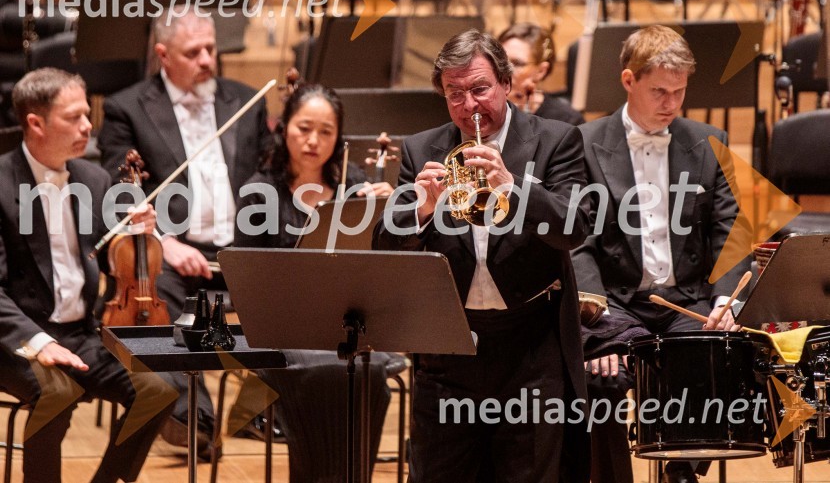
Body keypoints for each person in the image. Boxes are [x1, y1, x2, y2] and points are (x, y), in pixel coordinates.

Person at [373, 29, 592, 482]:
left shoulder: (556, 140)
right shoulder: (421, 150)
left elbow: (575, 227)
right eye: (455, 94)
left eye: (479, 89)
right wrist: (422, 208)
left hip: (529, 348)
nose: (469, 106)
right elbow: (385, 251)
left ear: (507, 84)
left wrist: (514, 188)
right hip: (448, 352)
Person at [571, 25, 752, 483]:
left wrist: (725, 303)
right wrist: (597, 320)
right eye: (659, 91)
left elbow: (729, 229)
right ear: (628, 81)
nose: (671, 103)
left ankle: (683, 472)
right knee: (600, 380)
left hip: (684, 303)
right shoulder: (585, 143)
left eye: (679, 91)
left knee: (720, 357)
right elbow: (579, 243)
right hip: (617, 305)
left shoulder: (710, 140)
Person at [97, 8, 271, 451]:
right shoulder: (127, 108)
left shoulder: (247, 101)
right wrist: (164, 242)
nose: (207, 59)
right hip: (176, 252)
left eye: (210, 48)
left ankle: (255, 409)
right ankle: (193, 418)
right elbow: (119, 191)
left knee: (294, 292)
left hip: (243, 249)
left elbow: (273, 174)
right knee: (153, 289)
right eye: (193, 52)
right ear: (163, 55)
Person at [0, 68, 176, 483]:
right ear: (36, 123)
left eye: (88, 114)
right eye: (74, 117)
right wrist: (39, 343)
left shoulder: (93, 179)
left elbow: (117, 254)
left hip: (80, 333)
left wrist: (139, 232)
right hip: (16, 340)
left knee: (159, 390)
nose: (87, 127)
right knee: (57, 395)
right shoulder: (1, 184)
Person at [233, 82, 397, 482]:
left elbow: (385, 262)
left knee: (370, 371)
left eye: (326, 131)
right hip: (284, 328)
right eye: (304, 128)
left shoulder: (355, 186)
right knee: (326, 373)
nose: (313, 141)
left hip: (346, 325)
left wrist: (391, 210)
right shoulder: (260, 192)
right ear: (284, 127)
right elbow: (248, 277)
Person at [497, 22, 584, 125]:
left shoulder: (568, 121)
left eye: (517, 64)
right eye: (499, 60)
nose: (503, 69)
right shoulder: (482, 109)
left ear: (541, 71)